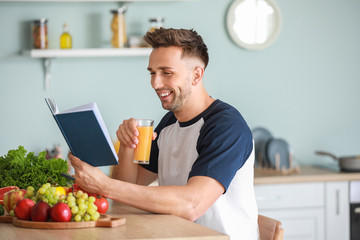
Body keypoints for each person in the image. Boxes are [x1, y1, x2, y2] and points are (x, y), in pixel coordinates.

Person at [69, 28, 259, 239]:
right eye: (152, 72)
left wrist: (105, 185)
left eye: (166, 73)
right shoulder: (169, 123)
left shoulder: (226, 126)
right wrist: (127, 146)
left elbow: (192, 204)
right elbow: (127, 194)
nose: (155, 83)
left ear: (196, 75)